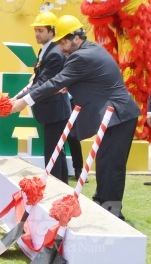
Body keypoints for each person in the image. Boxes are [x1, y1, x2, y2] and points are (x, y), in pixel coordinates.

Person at [10, 15, 140, 219]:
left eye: (63, 42)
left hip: (119, 117)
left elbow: (56, 81)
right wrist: (68, 87)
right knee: (105, 164)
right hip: (114, 116)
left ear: (76, 38)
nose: (61, 48)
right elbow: (86, 81)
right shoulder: (90, 50)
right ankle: (101, 204)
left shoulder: (82, 57)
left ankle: (113, 214)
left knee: (112, 167)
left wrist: (22, 102)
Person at [16, 11, 72, 184]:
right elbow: (38, 78)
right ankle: (61, 186)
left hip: (55, 110)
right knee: (56, 152)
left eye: (41, 30)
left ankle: (56, 186)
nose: (37, 34)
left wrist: (19, 101)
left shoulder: (55, 53)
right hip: (50, 109)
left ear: (51, 31)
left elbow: (42, 83)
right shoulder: (46, 49)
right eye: (36, 30)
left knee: (53, 153)